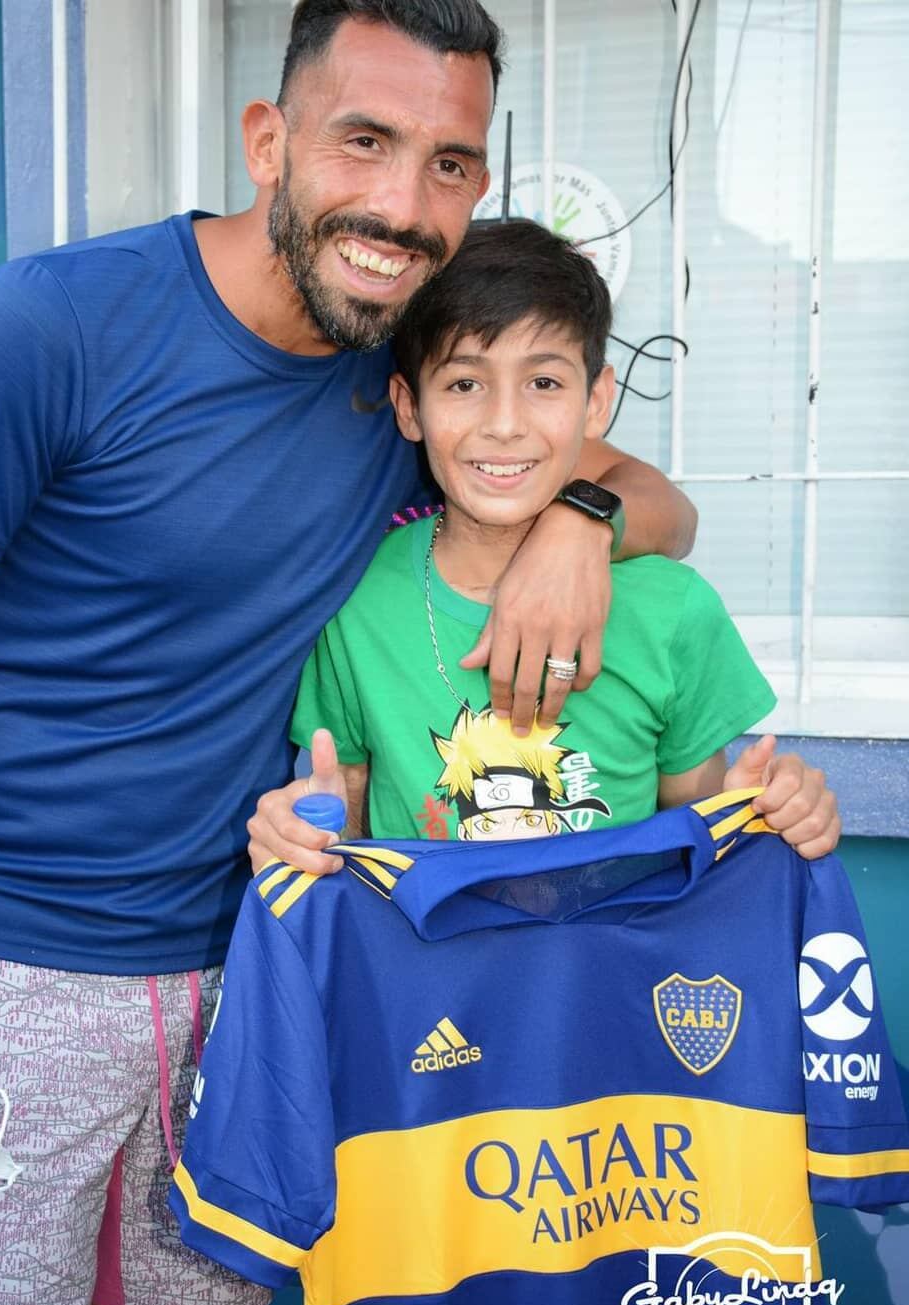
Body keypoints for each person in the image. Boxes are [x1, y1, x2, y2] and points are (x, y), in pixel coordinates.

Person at [0, 5, 697, 1305]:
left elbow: (652, 497)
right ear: (267, 139)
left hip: (255, 962)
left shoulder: (411, 380)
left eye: (451, 164)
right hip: (16, 974)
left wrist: (577, 530)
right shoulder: (61, 326)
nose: (405, 203)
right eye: (365, 140)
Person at [247, 220, 841, 872]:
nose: (504, 425)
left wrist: (766, 814)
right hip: (425, 972)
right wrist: (303, 836)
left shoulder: (675, 612)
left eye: (544, 383)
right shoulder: (358, 600)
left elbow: (703, 842)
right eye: (464, 384)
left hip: (611, 970)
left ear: (597, 402)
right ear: (409, 405)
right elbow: (348, 830)